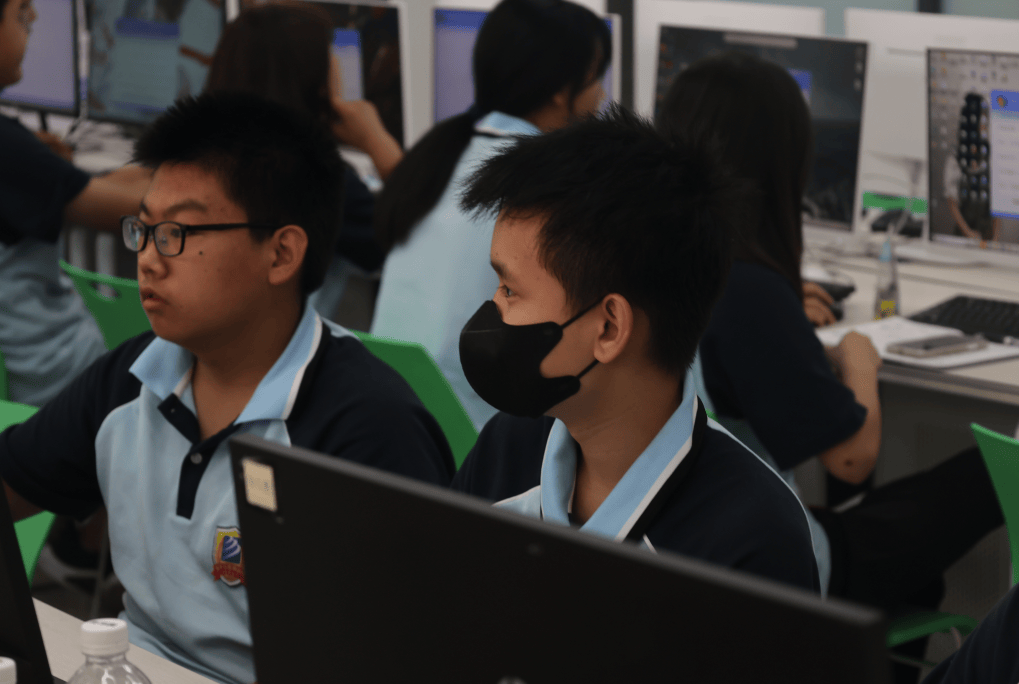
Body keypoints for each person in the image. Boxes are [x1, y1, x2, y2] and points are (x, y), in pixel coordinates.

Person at [0, 92, 455, 684]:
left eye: (179, 232)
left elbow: (419, 649)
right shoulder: (134, 376)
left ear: (282, 253)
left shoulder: (367, 428)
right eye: (145, 229)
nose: (148, 259)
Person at [659, 52, 1003, 681]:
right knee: (992, 470)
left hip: (684, 542)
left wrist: (786, 319)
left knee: (912, 568)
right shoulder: (747, 289)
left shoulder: (665, 260)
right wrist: (858, 358)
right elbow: (850, 460)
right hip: (768, 559)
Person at [450, 106, 819, 592]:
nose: (492, 310)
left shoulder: (752, 540)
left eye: (509, 290)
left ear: (608, 328)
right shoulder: (508, 449)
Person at [371, 0, 611, 431]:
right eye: (597, 79)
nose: (603, 97)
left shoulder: (439, 154)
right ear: (562, 90)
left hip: (390, 409)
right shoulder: (548, 183)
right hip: (471, 431)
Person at [204, 2, 402, 318]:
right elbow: (415, 241)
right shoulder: (320, 181)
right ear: (316, 85)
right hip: (277, 347)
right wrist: (377, 143)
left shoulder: (198, 159)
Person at [0, 0, 151, 405]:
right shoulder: (10, 150)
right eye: (21, 11)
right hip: (51, 377)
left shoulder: (17, 149)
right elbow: (129, 209)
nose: (33, 17)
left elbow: (77, 187)